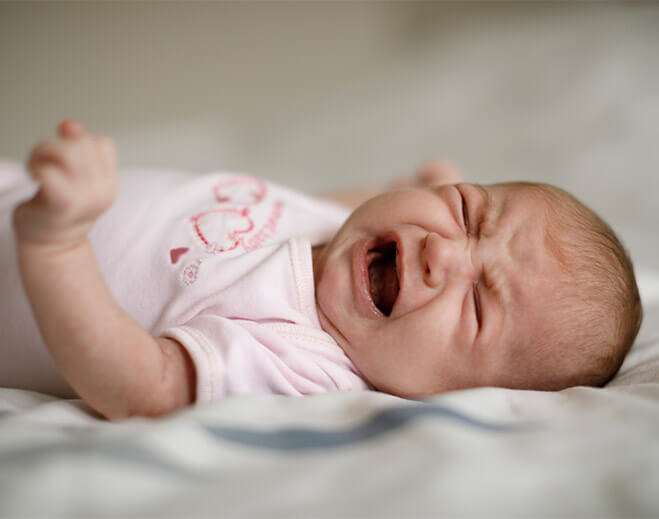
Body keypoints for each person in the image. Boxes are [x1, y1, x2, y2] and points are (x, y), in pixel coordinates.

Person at [1, 120, 642, 420]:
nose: (443, 251)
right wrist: (424, 183)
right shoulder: (348, 230)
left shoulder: (306, 362)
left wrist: (56, 245)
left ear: (459, 396)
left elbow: (145, 386)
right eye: (468, 212)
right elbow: (367, 199)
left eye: (478, 305)